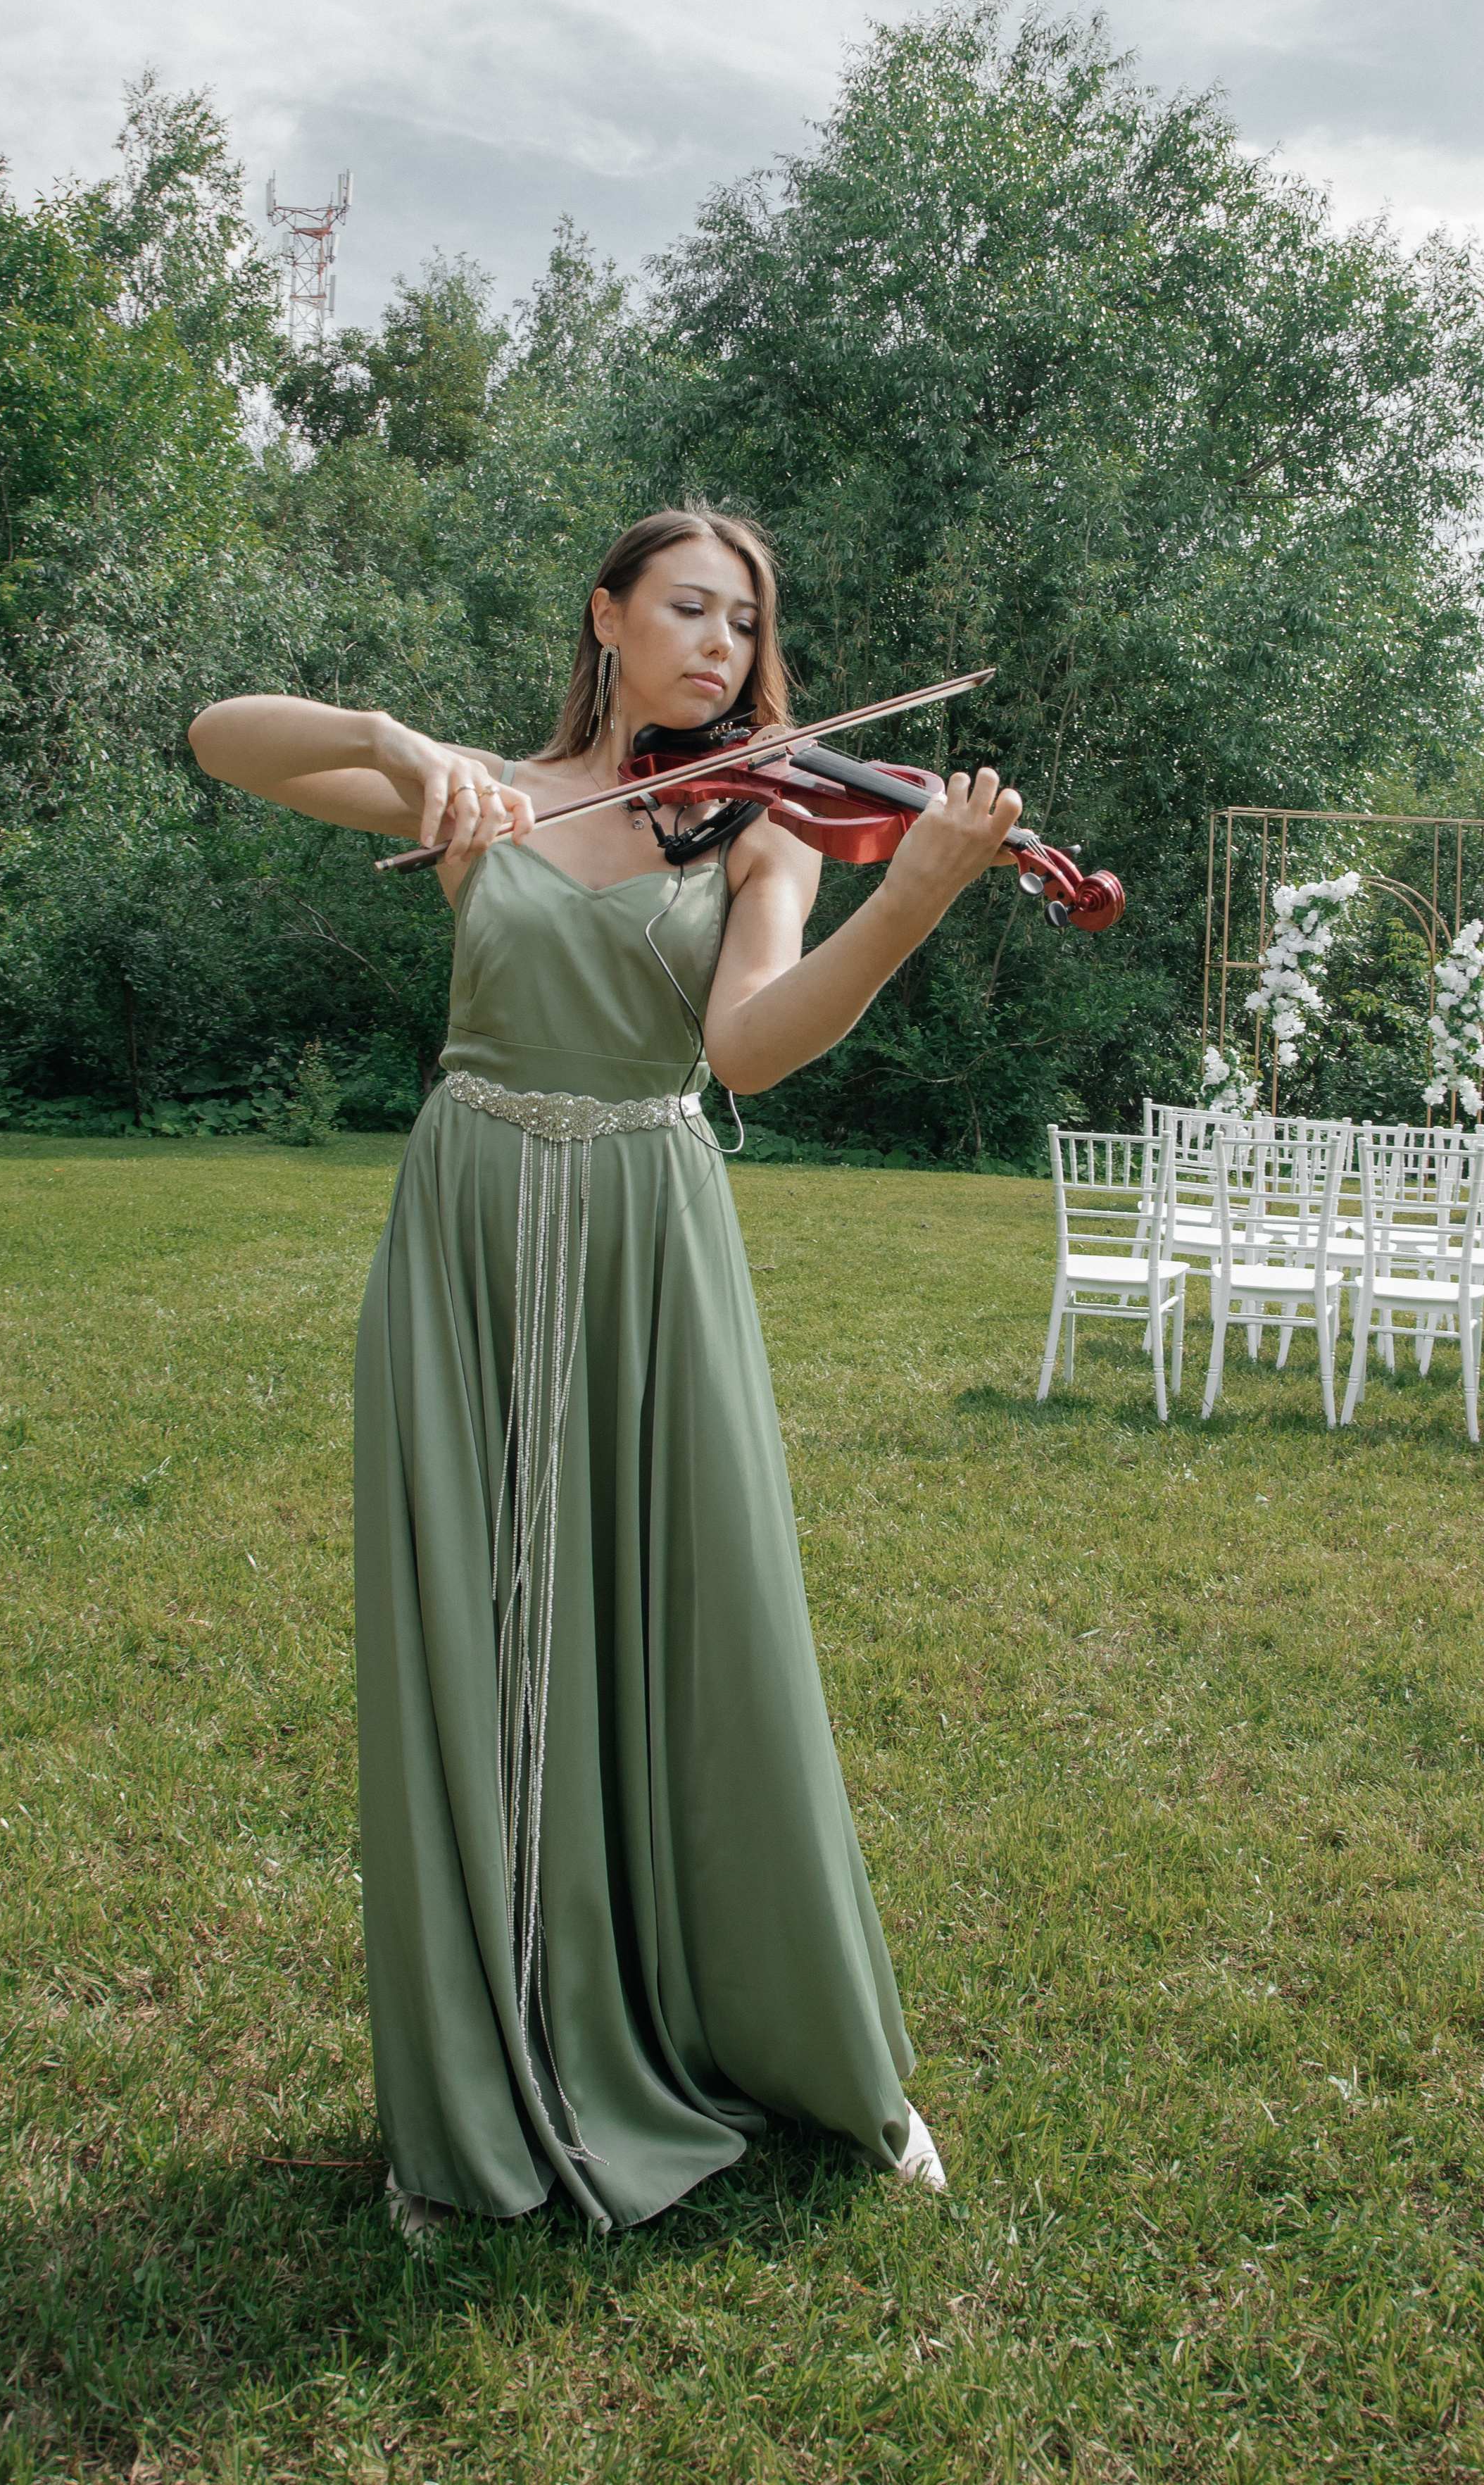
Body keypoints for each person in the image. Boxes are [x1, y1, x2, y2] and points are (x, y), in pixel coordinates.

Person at [189, 506, 1021, 2236]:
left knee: (697, 1628)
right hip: (469, 1222)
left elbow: (750, 1051)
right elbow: (223, 740)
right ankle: (484, 2088)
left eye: (744, 622)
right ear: (609, 617)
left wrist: (919, 896)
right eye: (688, 610)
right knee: (472, 1642)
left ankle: (789, 2044)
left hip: (651, 1232)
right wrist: (393, 743)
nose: (719, 646)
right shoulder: (482, 791)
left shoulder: (764, 831)